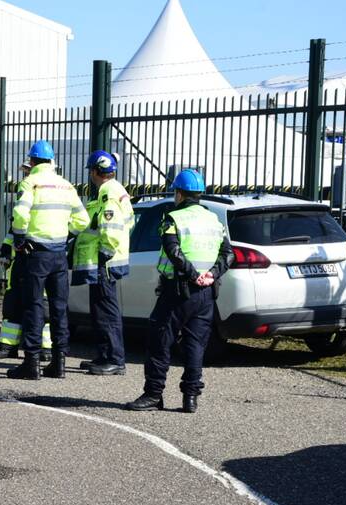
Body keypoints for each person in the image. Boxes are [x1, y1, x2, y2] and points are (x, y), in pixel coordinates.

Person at [125, 169, 232, 413]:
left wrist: (192, 274)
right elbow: (229, 254)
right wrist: (211, 274)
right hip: (206, 293)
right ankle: (190, 398)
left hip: (177, 290)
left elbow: (173, 250)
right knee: (195, 345)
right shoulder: (214, 221)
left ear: (179, 193)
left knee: (160, 340)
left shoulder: (173, 219)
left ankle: (153, 395)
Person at [7, 139, 90, 380]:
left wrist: (20, 239)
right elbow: (82, 220)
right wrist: (67, 237)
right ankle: (59, 362)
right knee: (59, 308)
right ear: (52, 161)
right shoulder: (66, 186)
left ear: (31, 161)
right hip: (58, 255)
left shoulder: (30, 182)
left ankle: (31, 363)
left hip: (36, 253)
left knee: (33, 306)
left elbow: (20, 214)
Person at [72, 150, 133, 375]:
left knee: (106, 311)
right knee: (100, 310)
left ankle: (115, 359)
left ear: (97, 170)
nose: (90, 175)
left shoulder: (108, 192)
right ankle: (104, 356)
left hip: (105, 261)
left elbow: (112, 227)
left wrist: (105, 253)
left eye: (91, 170)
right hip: (106, 260)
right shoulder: (115, 191)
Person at [0, 160, 52, 361]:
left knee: (41, 305)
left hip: (38, 257)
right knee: (13, 303)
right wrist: (7, 247)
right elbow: (15, 226)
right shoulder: (25, 190)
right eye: (25, 171)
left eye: (28, 170)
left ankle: (45, 349)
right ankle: (8, 346)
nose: (26, 174)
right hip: (20, 260)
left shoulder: (47, 193)